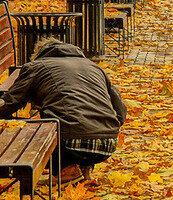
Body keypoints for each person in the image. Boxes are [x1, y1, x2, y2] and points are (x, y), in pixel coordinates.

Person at [0, 38, 127, 183]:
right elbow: (121, 111)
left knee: (31, 131)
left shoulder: (36, 66)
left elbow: (10, 103)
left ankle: (66, 170)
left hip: (69, 142)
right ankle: (83, 166)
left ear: (39, 54)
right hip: (108, 144)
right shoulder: (94, 66)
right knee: (70, 122)